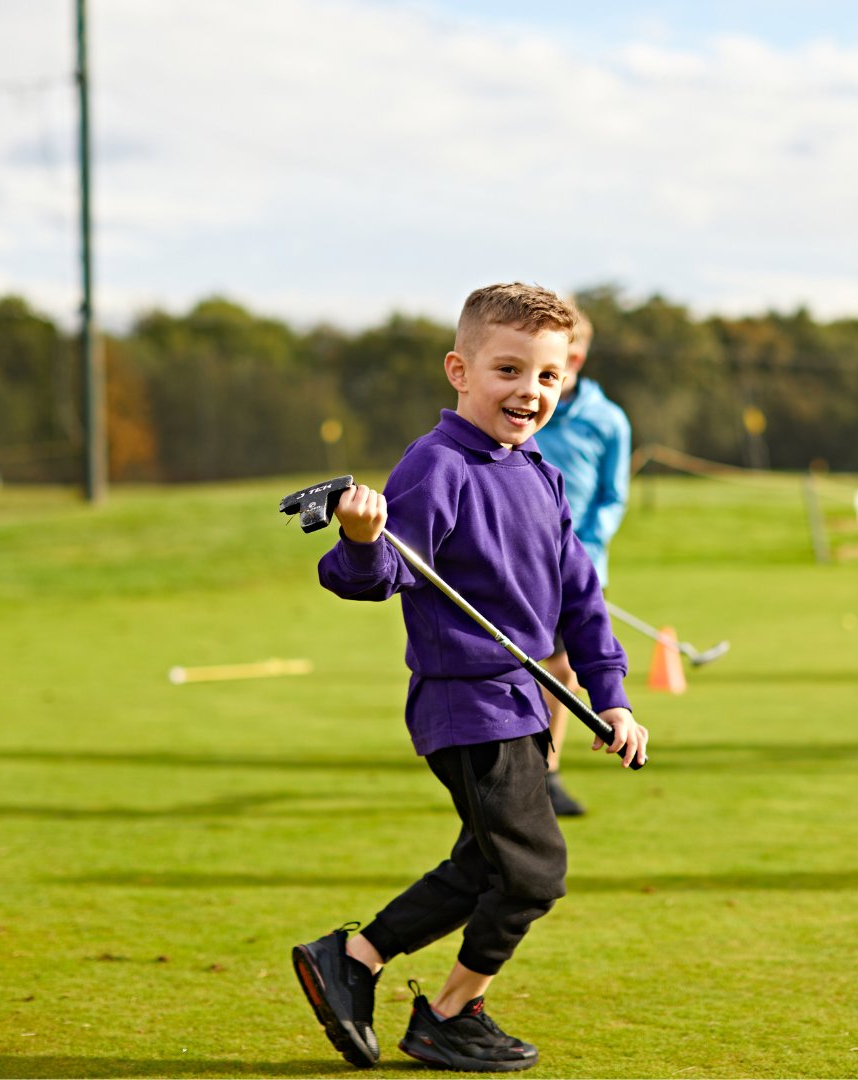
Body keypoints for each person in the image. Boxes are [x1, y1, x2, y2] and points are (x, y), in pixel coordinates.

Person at [292, 283, 648, 1073]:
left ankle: (352, 959)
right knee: (533, 872)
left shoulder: (541, 474)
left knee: (488, 865)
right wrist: (358, 537)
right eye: (508, 370)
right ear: (460, 369)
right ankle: (450, 1012)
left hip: (521, 704)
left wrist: (613, 697)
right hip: (467, 706)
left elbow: (581, 602)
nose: (529, 391)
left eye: (548, 377)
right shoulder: (437, 464)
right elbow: (373, 576)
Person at [532, 302, 632, 817]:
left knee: (564, 667)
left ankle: (546, 773)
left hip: (582, 565)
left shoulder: (608, 420)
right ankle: (516, 769)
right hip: (521, 564)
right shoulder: (522, 406)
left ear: (580, 353)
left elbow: (613, 496)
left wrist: (586, 546)